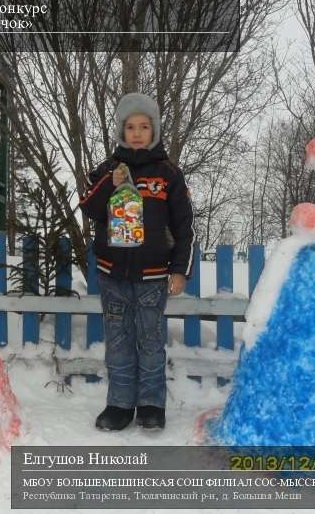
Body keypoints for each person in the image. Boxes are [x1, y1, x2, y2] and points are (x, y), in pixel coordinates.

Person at [79, 92, 195, 431]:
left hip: (152, 277)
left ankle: (150, 404)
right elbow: (89, 208)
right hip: (112, 275)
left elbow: (185, 225)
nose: (137, 133)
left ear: (155, 130)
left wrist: (180, 270)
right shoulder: (108, 169)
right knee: (117, 342)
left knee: (150, 340)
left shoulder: (168, 174)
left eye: (145, 126)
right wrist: (108, 185)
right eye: (130, 126)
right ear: (120, 131)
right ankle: (119, 404)